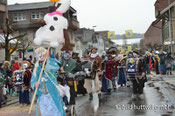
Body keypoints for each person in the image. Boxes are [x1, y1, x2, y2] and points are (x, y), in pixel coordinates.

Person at [31, 47, 65, 116]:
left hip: (52, 92)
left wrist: (48, 59)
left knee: (55, 110)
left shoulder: (51, 62)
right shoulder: (37, 67)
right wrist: (35, 84)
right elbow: (34, 78)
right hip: (42, 93)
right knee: (44, 111)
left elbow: (57, 67)